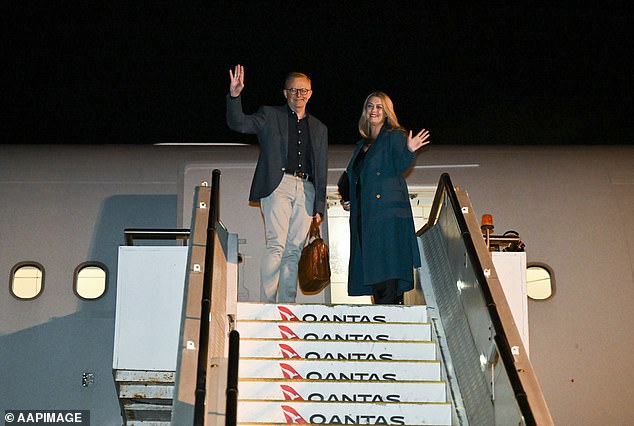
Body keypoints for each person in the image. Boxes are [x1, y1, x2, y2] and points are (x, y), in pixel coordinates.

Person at [226, 64, 328, 303]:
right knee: (277, 246)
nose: (299, 95)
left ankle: (287, 305)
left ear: (310, 93)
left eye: (304, 91)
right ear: (285, 93)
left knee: (294, 251)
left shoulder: (319, 128)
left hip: (307, 189)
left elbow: (321, 168)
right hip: (278, 184)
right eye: (294, 90)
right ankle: (269, 304)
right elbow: (239, 123)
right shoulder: (270, 115)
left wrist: (319, 207)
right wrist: (235, 96)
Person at [339, 91, 430, 304]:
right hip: (365, 214)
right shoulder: (361, 146)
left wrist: (409, 149)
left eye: (379, 107)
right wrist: (350, 198)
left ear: (387, 112)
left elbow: (400, 165)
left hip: (387, 214)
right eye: (370, 106)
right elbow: (357, 178)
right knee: (373, 266)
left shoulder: (395, 136)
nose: (374, 110)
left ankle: (388, 312)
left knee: (387, 266)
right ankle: (384, 311)